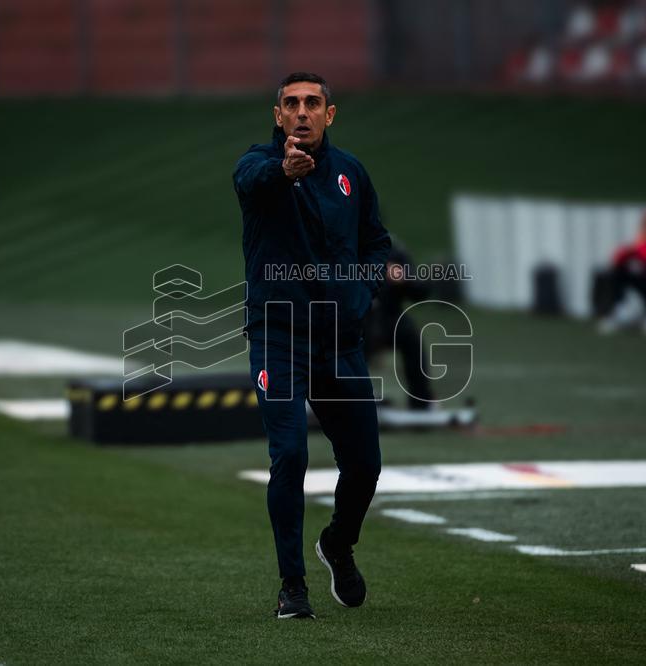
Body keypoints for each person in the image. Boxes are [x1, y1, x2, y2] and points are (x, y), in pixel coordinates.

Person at [233, 72, 391, 619]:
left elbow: (376, 242)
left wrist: (363, 290)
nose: (302, 112)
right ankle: (292, 585)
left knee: (366, 464)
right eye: (292, 104)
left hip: (338, 339)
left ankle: (337, 545)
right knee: (291, 452)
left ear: (330, 113)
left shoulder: (351, 173)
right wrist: (283, 171)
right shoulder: (258, 165)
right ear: (278, 116)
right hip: (277, 336)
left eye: (313, 103)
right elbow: (252, 183)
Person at [364, 238, 434, 409]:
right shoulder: (342, 248)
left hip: (388, 318)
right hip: (352, 319)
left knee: (411, 337)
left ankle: (421, 401)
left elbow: (420, 291)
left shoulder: (392, 252)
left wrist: (404, 279)